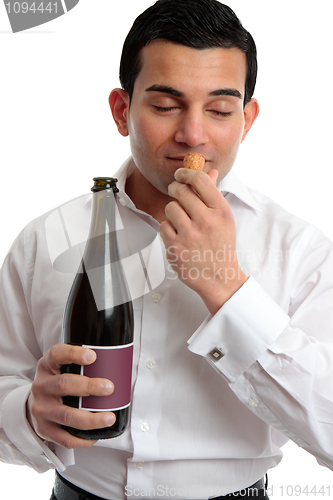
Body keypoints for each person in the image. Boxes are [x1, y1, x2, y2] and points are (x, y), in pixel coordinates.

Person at [1, 0, 333, 499]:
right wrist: (28, 412)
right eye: (164, 105)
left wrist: (226, 287)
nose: (192, 135)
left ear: (247, 118)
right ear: (121, 110)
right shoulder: (45, 239)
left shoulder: (301, 249)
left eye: (220, 110)